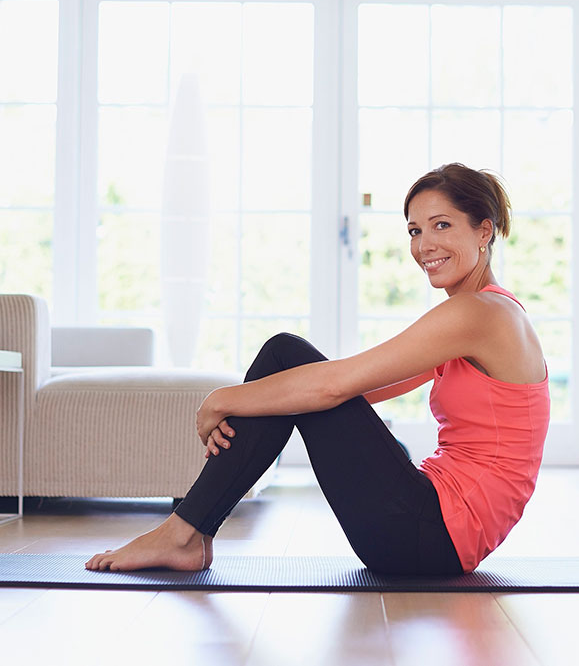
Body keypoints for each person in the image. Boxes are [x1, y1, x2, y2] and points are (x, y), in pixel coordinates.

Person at [85, 163, 550, 576]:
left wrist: (219, 401)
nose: (424, 245)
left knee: (285, 354)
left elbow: (332, 388)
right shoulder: (489, 315)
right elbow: (358, 393)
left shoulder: (478, 315)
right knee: (291, 384)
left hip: (429, 535)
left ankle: (185, 531)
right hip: (439, 534)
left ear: (484, 232)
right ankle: (190, 532)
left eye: (441, 225)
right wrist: (274, 401)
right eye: (414, 231)